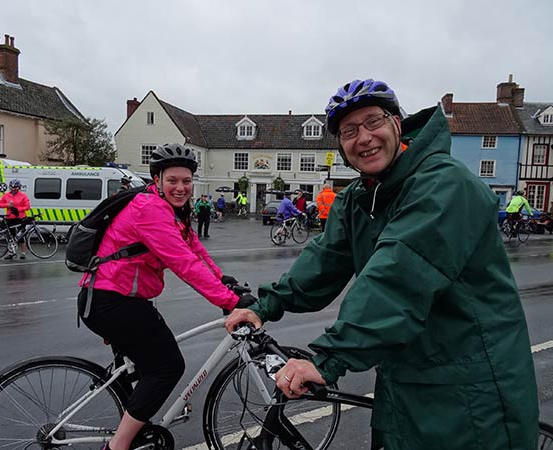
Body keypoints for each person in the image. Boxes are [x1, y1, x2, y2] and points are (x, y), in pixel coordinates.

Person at [226, 79, 539, 449]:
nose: (364, 138)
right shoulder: (360, 198)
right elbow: (324, 261)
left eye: (373, 121)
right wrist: (265, 306)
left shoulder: (446, 185)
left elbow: (398, 277)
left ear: (396, 124)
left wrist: (330, 358)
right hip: (405, 377)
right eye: (349, 131)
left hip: (471, 387)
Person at [77, 144, 252, 450]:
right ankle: (117, 446)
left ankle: (135, 432)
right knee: (167, 367)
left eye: (186, 181)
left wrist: (224, 281)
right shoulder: (150, 209)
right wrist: (229, 302)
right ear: (156, 179)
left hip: (118, 299)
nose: (181, 187)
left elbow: (194, 251)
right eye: (173, 180)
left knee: (149, 370)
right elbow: (182, 263)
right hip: (111, 301)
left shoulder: (172, 210)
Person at [0, 178, 31, 259]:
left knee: (21, 236)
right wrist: (7, 205)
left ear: (19, 187)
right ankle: (11, 253)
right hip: (10, 218)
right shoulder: (6, 195)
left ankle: (23, 253)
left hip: (20, 217)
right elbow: (0, 204)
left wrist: (18, 209)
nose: (13, 189)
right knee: (11, 236)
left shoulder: (23, 196)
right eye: (12, 187)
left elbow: (27, 206)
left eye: (15, 187)